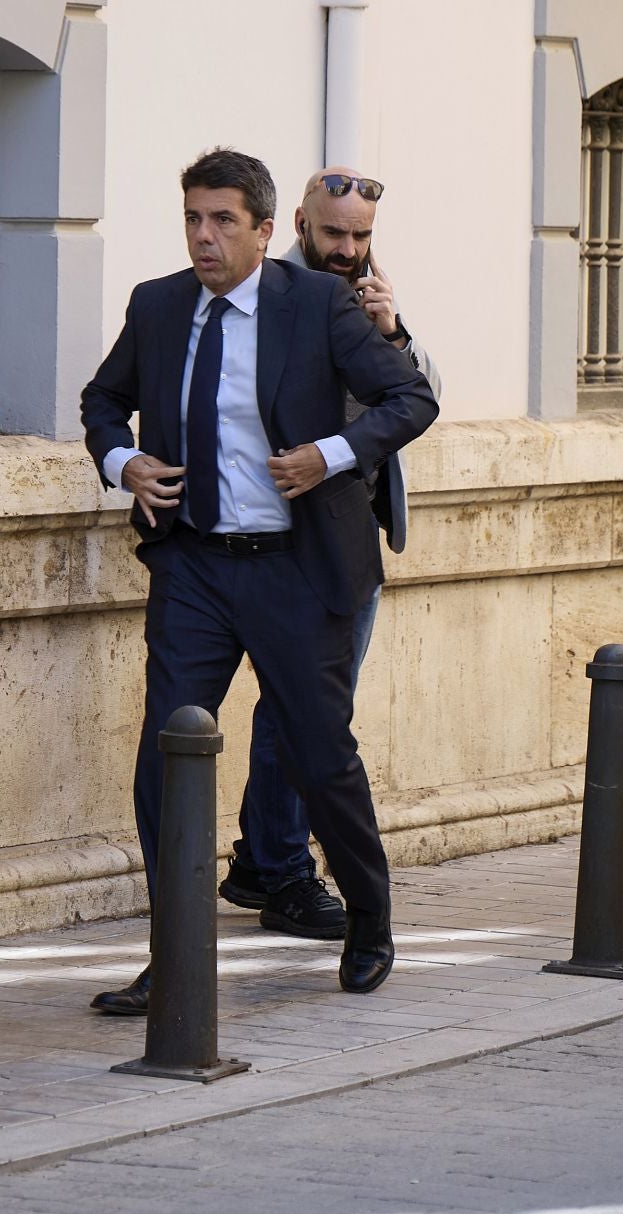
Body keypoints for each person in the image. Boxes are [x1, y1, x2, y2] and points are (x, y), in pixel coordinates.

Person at [82, 148, 437, 1015]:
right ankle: (173, 960)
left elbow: (409, 399)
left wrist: (331, 454)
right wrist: (123, 460)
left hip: (295, 569)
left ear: (265, 231)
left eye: (223, 222)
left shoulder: (314, 303)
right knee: (166, 759)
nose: (204, 238)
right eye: (194, 220)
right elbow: (101, 400)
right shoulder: (159, 305)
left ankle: (370, 917)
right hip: (194, 566)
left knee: (320, 757)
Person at [220, 167, 445, 940]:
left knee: (313, 709)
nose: (348, 249)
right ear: (300, 229)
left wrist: (395, 333)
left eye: (362, 237)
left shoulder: (370, 307)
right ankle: (281, 871)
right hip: (287, 538)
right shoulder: (275, 297)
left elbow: (423, 397)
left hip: (352, 545)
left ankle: (263, 860)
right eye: (334, 234)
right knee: (301, 711)